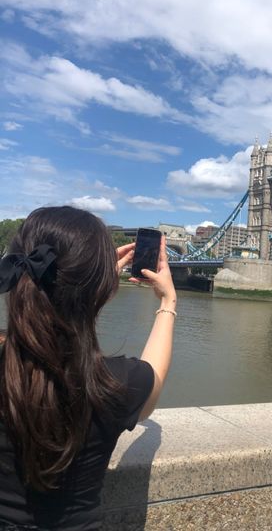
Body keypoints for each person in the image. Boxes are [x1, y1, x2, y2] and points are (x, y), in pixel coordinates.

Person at [0, 206, 176, 529]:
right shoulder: (115, 385)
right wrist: (168, 303)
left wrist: (91, 279)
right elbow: (157, 374)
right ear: (102, 292)